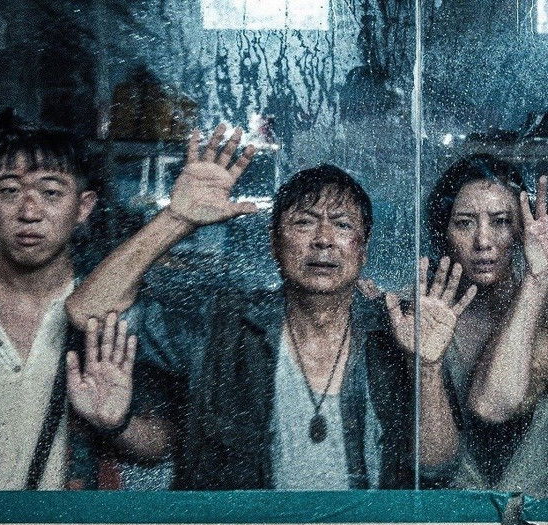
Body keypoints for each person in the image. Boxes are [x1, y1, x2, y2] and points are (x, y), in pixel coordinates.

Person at [67, 124, 427, 490]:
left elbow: (436, 464)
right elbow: (88, 310)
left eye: (342, 225)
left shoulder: (397, 334)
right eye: (304, 222)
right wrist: (177, 219)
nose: (323, 239)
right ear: (274, 244)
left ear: (363, 249)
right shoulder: (223, 327)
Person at [0, 123, 165, 490]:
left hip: (75, 524)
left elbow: (160, 445)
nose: (29, 212)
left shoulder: (117, 303)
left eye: (51, 193)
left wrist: (116, 424)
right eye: (10, 191)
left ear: (83, 207)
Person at [413, 153, 542, 491]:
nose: (483, 242)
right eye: (464, 223)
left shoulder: (543, 310)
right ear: (443, 232)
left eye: (500, 221)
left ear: (522, 230)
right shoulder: (424, 314)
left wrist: (537, 276)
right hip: (449, 515)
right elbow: (431, 465)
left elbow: (493, 404)